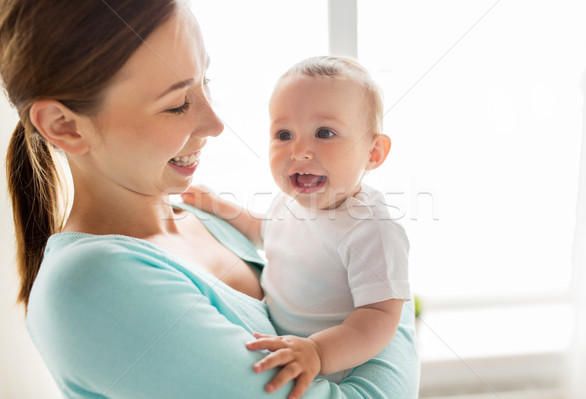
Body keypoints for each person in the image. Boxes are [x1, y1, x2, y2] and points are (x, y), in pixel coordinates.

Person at [0, 1, 419, 398]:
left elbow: (279, 238)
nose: (216, 123)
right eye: (178, 103)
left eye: (206, 82)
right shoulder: (89, 288)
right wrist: (388, 294)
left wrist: (377, 271)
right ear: (63, 125)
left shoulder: (198, 214)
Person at [183, 56, 411, 398]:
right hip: (287, 346)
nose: (300, 151)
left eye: (324, 133)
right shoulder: (290, 201)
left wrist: (319, 352)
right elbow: (265, 231)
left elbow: (380, 316)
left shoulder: (371, 229)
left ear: (373, 152)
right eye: (284, 134)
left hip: (335, 366)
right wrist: (219, 205)